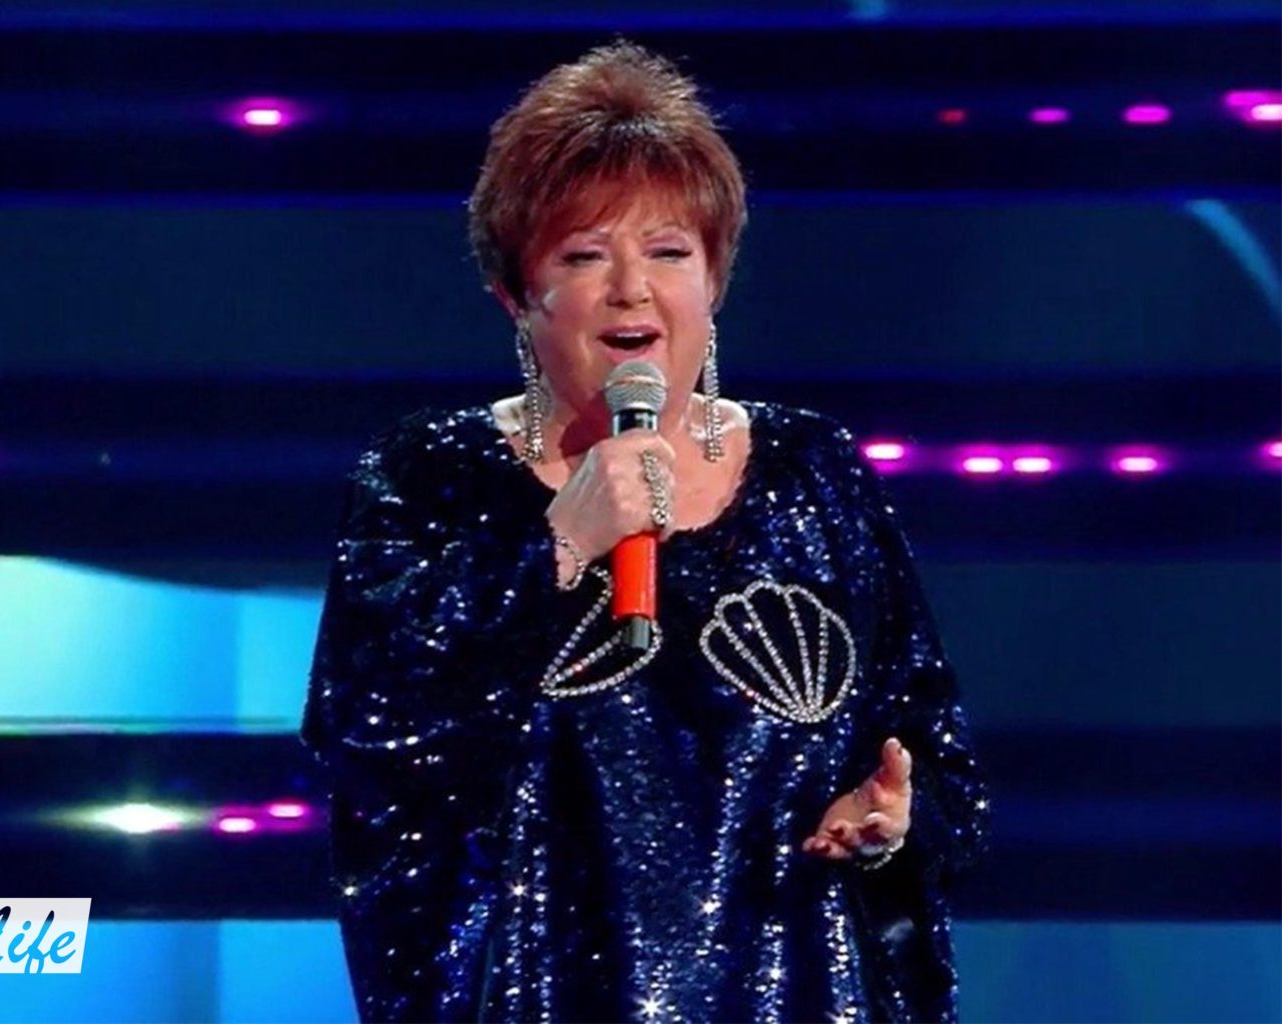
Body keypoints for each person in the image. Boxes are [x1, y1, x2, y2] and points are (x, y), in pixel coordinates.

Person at [302, 41, 990, 1024]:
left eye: (669, 252)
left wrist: (892, 822)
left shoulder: (815, 471)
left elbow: (931, 747)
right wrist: (553, 549)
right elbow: (370, 738)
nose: (632, 288)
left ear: (714, 282)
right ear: (516, 295)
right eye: (584, 255)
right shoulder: (430, 478)